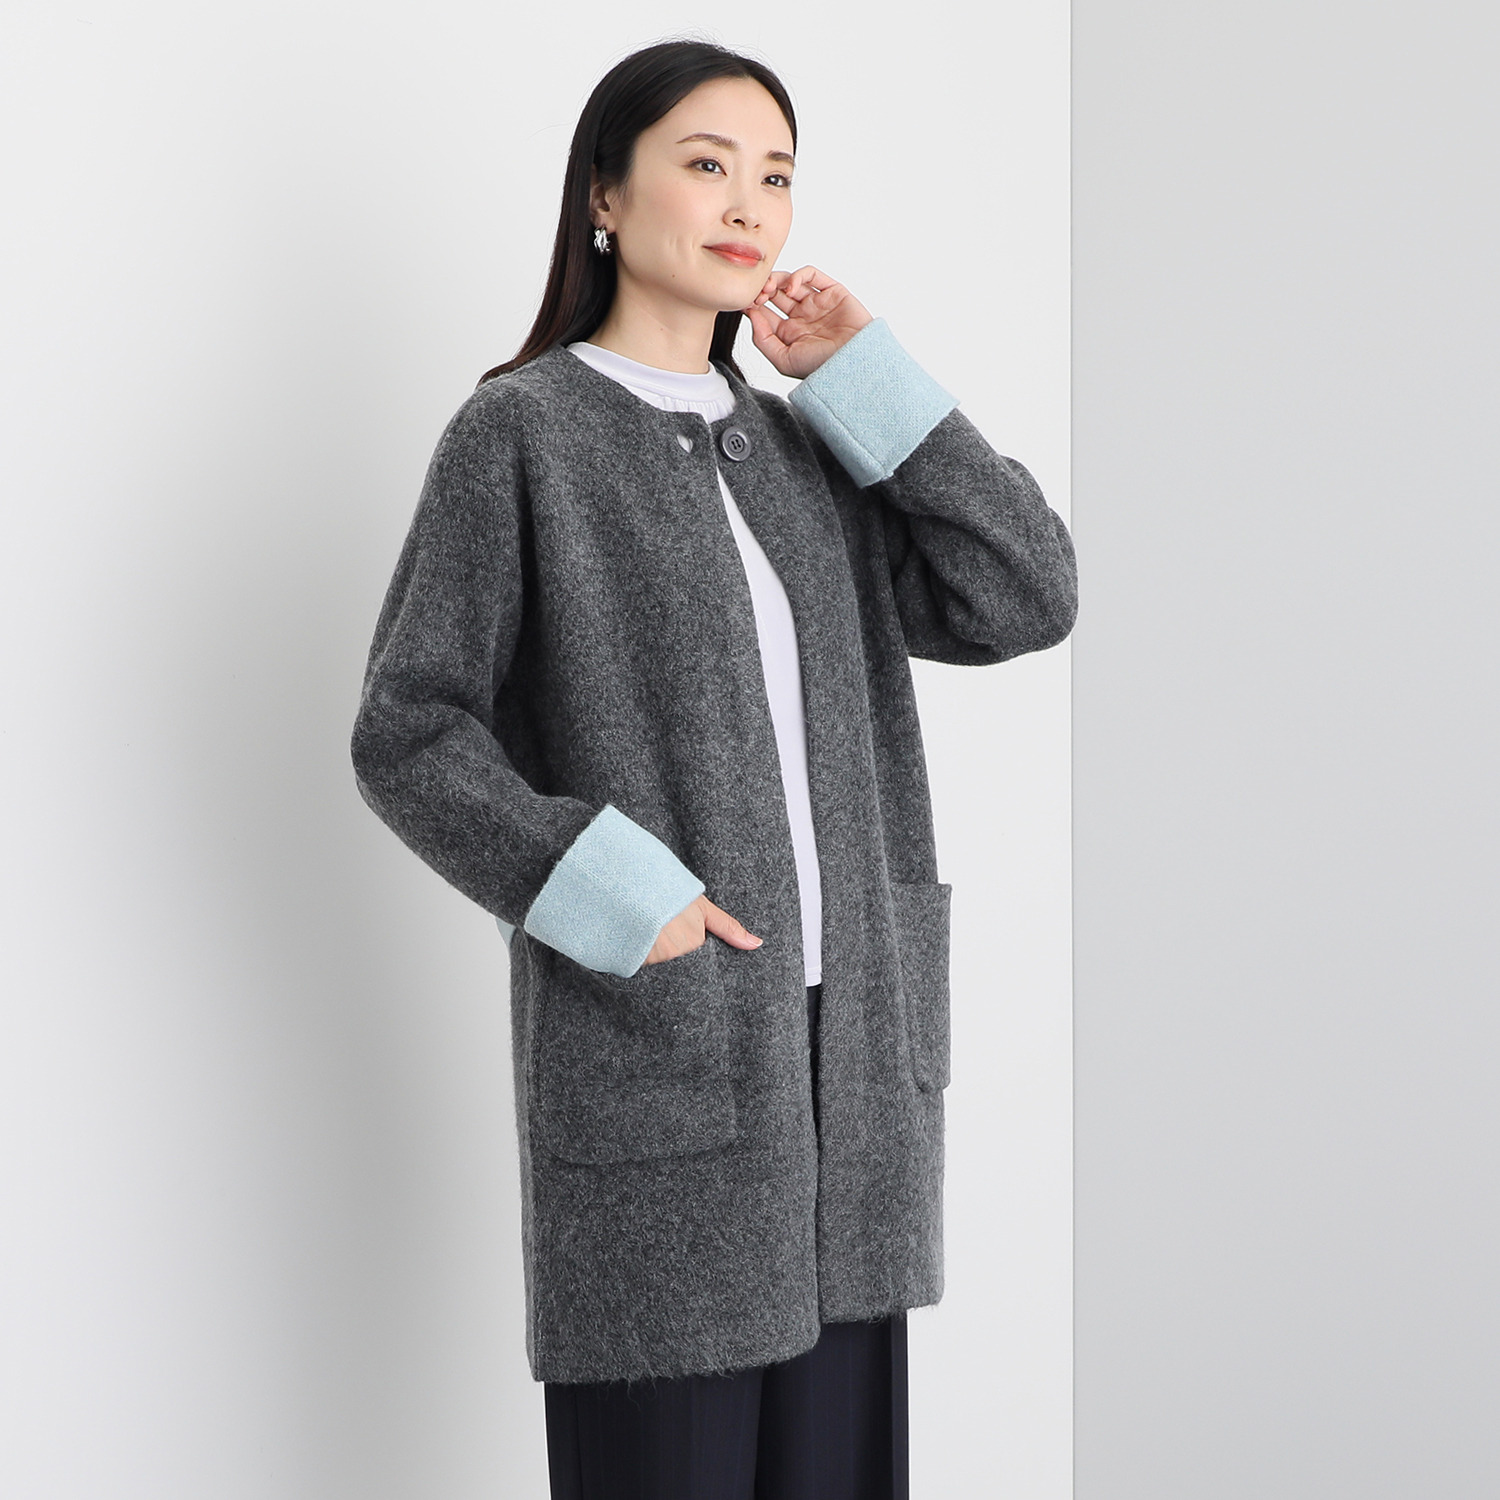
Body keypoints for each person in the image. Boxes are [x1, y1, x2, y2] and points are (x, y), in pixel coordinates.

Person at [350, 36, 1078, 1500]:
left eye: (777, 176)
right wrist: (617, 894)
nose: (749, 204)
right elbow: (409, 730)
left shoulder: (813, 453)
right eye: (706, 164)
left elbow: (1027, 592)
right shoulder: (523, 435)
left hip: (851, 1094)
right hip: (666, 1070)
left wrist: (869, 377)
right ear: (605, 195)